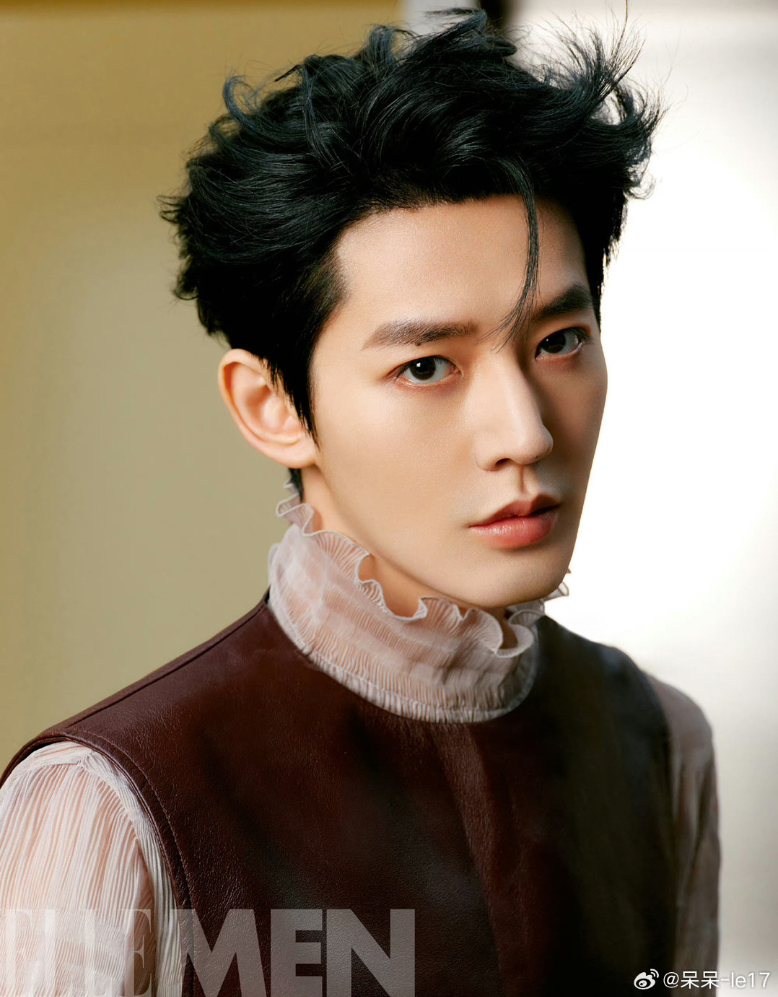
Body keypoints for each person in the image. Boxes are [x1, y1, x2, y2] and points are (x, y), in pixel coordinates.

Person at [0, 10, 719, 996]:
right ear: (273, 407)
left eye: (558, 342)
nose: (524, 432)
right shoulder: (108, 803)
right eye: (426, 365)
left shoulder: (660, 744)